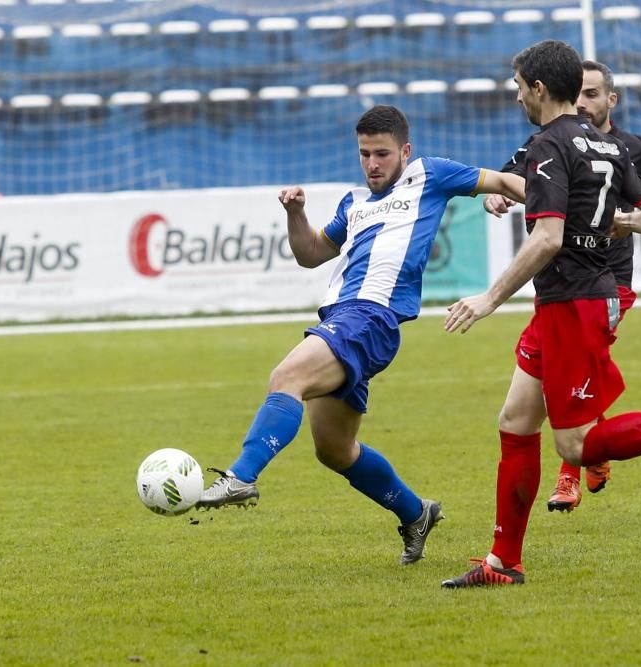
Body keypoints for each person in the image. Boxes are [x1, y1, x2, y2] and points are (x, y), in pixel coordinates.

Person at [440, 40, 641, 588]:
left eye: (520, 88)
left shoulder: (549, 146)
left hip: (575, 302)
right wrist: (623, 225)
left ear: (539, 89)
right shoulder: (605, 145)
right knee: (516, 422)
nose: (518, 97)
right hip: (567, 300)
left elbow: (546, 238)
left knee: (577, 444)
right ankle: (503, 562)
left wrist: (488, 298)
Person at [196, 105, 527, 567]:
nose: (373, 164)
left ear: (405, 152)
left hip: (370, 318)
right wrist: (296, 213)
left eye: (383, 154)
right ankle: (416, 513)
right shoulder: (353, 204)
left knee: (286, 376)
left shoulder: (430, 174)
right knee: (334, 450)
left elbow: (506, 182)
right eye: (365, 154)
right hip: (345, 317)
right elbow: (311, 254)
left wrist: (549, 205)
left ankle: (241, 476)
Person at [483, 60, 641, 514]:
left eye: (593, 94)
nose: (584, 102)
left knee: (564, 410)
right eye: (580, 93)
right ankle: (507, 553)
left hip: (602, 286)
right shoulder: (547, 144)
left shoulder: (630, 148)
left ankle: (572, 471)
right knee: (521, 415)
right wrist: (499, 191)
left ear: (611, 99)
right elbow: (515, 176)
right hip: (560, 291)